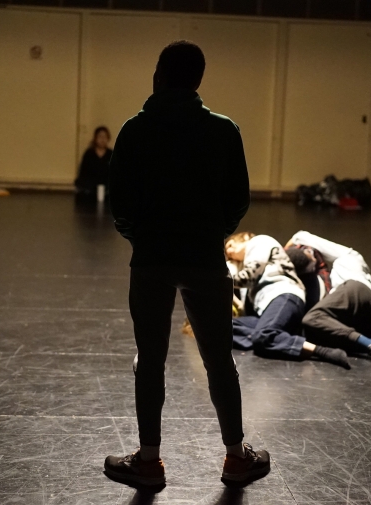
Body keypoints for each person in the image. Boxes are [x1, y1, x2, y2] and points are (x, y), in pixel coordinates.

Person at [105, 41, 270, 487]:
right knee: (219, 359)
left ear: (158, 74)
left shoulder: (133, 131)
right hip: (205, 260)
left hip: (152, 259)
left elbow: (119, 204)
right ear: (198, 80)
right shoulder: (223, 130)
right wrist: (209, 236)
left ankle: (149, 462)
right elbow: (238, 201)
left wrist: (142, 238)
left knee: (150, 360)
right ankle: (236, 458)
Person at [225, 232, 350, 369]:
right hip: (267, 309)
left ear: (245, 237)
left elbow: (247, 277)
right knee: (221, 327)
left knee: (263, 336)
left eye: (231, 246)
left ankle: (322, 351)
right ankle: (272, 339)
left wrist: (220, 276)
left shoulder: (259, 242)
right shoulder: (245, 262)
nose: (229, 252)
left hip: (284, 294)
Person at [284, 246, 371, 369]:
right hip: (364, 318)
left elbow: (301, 238)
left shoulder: (307, 277)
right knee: (317, 332)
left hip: (355, 292)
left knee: (312, 318)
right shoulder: (313, 274)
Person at [286, 230, 371, 326]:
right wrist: (297, 240)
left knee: (348, 270)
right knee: (347, 260)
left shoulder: (288, 285)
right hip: (358, 310)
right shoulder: (310, 289)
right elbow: (299, 237)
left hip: (355, 311)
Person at [75, 126, 113, 199]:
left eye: (105, 137)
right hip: (91, 181)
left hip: (105, 181)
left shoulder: (111, 153)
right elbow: (83, 171)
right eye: (100, 136)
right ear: (95, 138)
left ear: (108, 138)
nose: (102, 139)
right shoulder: (89, 153)